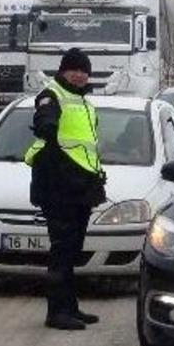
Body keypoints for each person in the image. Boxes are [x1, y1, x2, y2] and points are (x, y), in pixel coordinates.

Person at [24, 48, 107, 331]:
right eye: (74, 69)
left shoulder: (84, 102)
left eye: (84, 70)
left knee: (72, 250)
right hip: (58, 187)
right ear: (63, 70)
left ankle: (70, 307)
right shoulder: (52, 95)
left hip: (80, 187)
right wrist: (46, 124)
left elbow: (85, 149)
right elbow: (45, 118)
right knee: (62, 251)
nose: (80, 74)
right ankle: (56, 312)